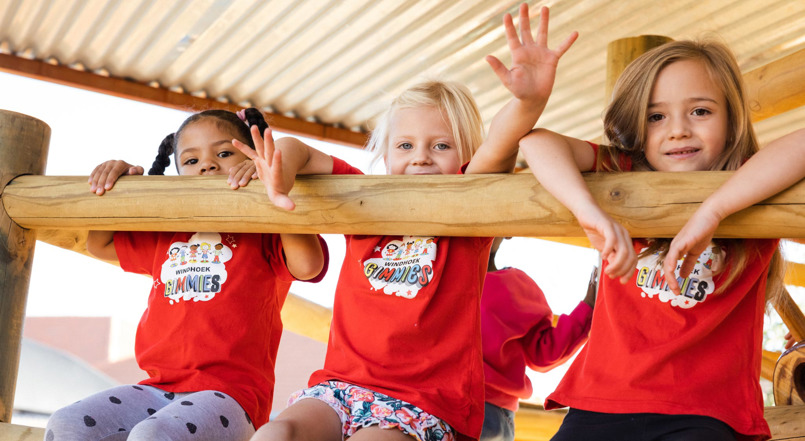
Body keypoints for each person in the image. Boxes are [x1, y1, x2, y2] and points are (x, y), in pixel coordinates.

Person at [234, 5, 577, 440]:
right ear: (386, 153)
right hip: (342, 387)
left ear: (465, 156)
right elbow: (297, 149)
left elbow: (502, 141)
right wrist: (279, 172)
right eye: (406, 144)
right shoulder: (363, 200)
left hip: (424, 401)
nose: (420, 156)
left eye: (440, 145)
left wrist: (528, 101)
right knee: (275, 434)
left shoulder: (468, 211)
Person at [519, 39, 805, 441]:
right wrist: (588, 209)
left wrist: (714, 211)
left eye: (701, 111)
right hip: (601, 403)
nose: (678, 130)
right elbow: (535, 143)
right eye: (656, 117)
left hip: (706, 415)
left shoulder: (753, 183)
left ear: (732, 120)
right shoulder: (623, 172)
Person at [44, 109, 328, 441]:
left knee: (154, 435)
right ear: (178, 174)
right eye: (191, 161)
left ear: (255, 158)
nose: (207, 165)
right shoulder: (168, 232)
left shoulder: (265, 230)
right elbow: (100, 243)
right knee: (68, 423)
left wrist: (277, 192)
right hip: (156, 388)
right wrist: (122, 185)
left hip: (230, 399)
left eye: (223, 153)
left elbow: (308, 265)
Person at [480, 237, 596, 441]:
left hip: (489, 409)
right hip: (433, 402)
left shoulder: (516, 286)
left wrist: (587, 306)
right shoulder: (431, 280)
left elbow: (544, 352)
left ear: (507, 232)